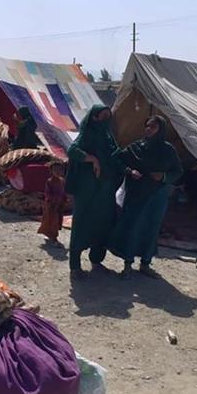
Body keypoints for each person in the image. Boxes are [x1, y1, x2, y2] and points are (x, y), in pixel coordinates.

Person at [110, 115, 183, 278]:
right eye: (147, 126)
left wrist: (163, 176)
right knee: (132, 227)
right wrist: (129, 171)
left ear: (161, 130)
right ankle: (128, 264)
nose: (149, 129)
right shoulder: (136, 148)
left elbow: (177, 171)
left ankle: (145, 263)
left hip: (157, 197)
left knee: (151, 228)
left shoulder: (168, 150)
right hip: (137, 194)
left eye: (153, 127)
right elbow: (117, 160)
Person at [65, 104, 122, 277]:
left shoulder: (108, 136)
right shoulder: (87, 134)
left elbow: (115, 155)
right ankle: (75, 266)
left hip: (105, 189)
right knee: (82, 223)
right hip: (87, 190)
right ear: (94, 117)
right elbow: (72, 150)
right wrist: (93, 159)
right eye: (102, 116)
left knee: (103, 223)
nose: (105, 120)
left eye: (108, 116)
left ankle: (96, 259)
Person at [37, 161, 67, 247]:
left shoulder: (62, 181)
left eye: (60, 170)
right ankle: (54, 237)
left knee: (56, 221)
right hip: (51, 205)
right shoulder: (49, 182)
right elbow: (47, 193)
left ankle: (51, 235)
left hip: (59, 205)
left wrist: (65, 199)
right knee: (51, 220)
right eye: (55, 170)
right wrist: (53, 199)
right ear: (51, 171)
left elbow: (63, 192)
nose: (58, 172)